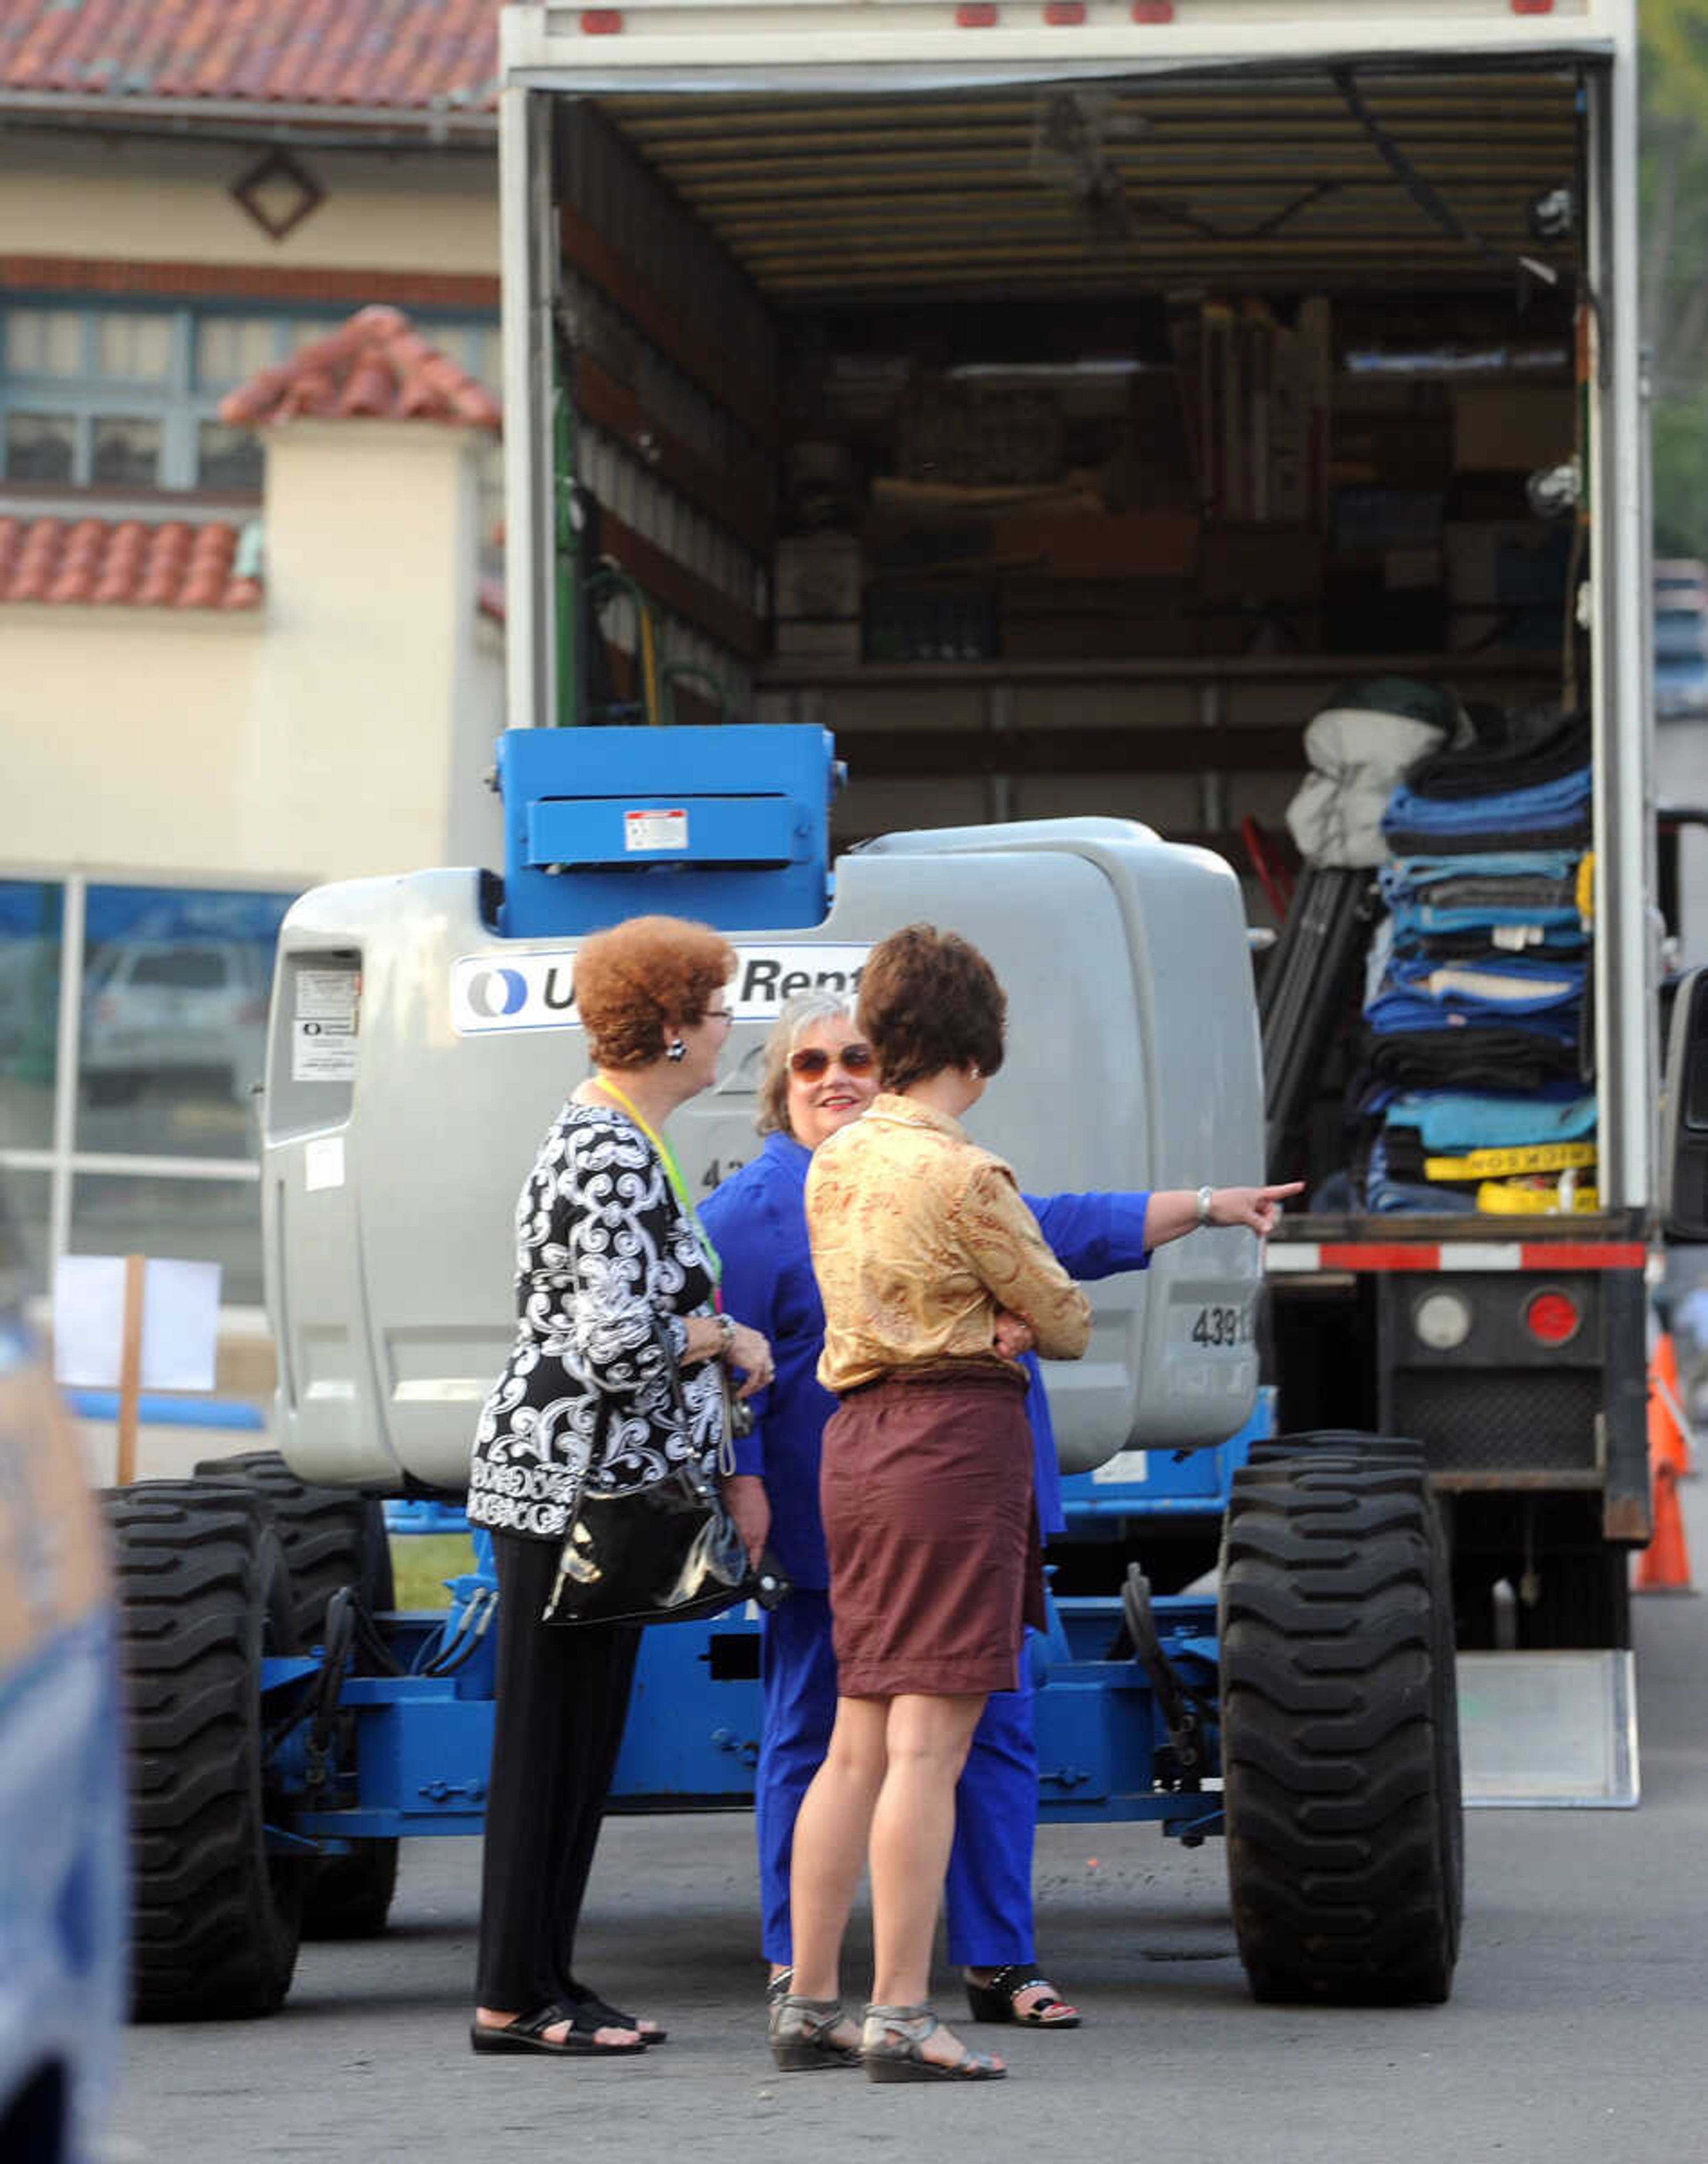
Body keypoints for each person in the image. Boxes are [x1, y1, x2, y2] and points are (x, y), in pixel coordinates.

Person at [708, 984, 1297, 2073]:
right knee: (868, 1740)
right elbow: (725, 1358)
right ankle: (839, 1981)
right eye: (808, 1063)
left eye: (857, 1055)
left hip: (876, 1483)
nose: (834, 1075)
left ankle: (968, 1961)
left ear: (895, 1066)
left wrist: (1209, 1201)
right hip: (892, 1494)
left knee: (924, 1740)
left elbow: (1079, 1220)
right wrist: (744, 1480)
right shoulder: (764, 1205)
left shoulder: (863, 1174)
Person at [467, 914, 774, 2060]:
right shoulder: (605, 1149)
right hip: (572, 1494)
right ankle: (511, 1996)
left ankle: (544, 1980)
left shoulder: (623, 1138)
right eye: (715, 1009)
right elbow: (616, 1347)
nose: (728, 1027)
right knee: (549, 1744)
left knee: (580, 1745)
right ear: (670, 1027)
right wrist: (723, 1335)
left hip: (591, 1488)